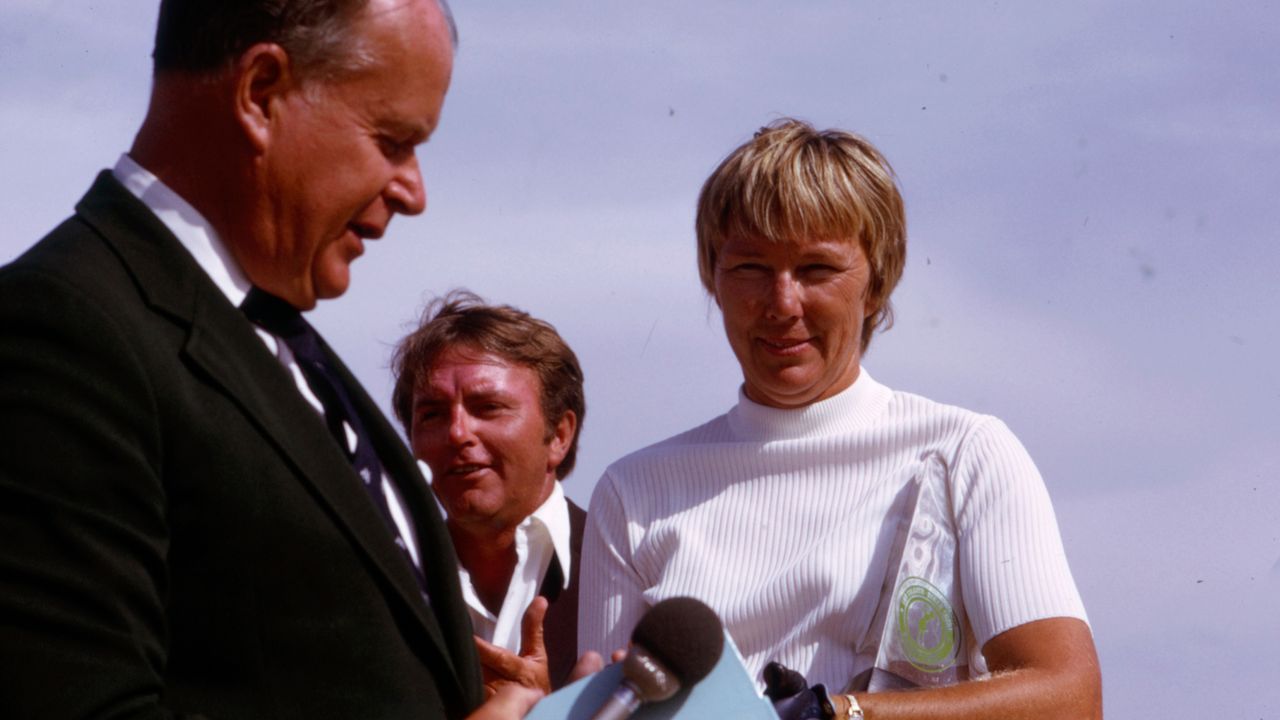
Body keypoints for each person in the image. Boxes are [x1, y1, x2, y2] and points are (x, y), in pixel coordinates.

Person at [0, 1, 543, 717]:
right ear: (260, 93)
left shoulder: (280, 342)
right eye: (392, 140)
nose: (414, 192)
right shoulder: (58, 331)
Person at [578, 119, 1103, 719]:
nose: (782, 303)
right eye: (750, 268)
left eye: (817, 270)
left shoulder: (965, 454)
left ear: (877, 282)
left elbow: (1069, 699)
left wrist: (842, 714)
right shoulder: (632, 493)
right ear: (712, 278)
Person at [391, 291, 588, 691]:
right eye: (432, 413)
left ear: (559, 436)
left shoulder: (628, 561)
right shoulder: (385, 584)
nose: (458, 432)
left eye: (488, 407)